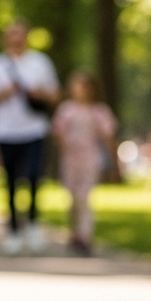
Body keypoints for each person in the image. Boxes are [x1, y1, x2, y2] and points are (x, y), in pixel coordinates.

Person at [0, 23, 60, 254]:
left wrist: (39, 93)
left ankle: (33, 224)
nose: (16, 40)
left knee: (34, 176)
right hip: (5, 132)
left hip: (34, 130)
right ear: (5, 39)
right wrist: (5, 92)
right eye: (12, 36)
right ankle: (13, 230)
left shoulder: (41, 62)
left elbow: (55, 95)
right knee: (11, 181)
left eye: (20, 35)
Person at [52, 71, 118, 255]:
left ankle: (84, 236)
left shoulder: (99, 111)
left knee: (84, 197)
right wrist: (66, 145)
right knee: (73, 198)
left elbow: (109, 137)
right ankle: (74, 232)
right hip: (70, 159)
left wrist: (115, 163)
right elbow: (57, 133)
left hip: (90, 159)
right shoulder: (66, 110)